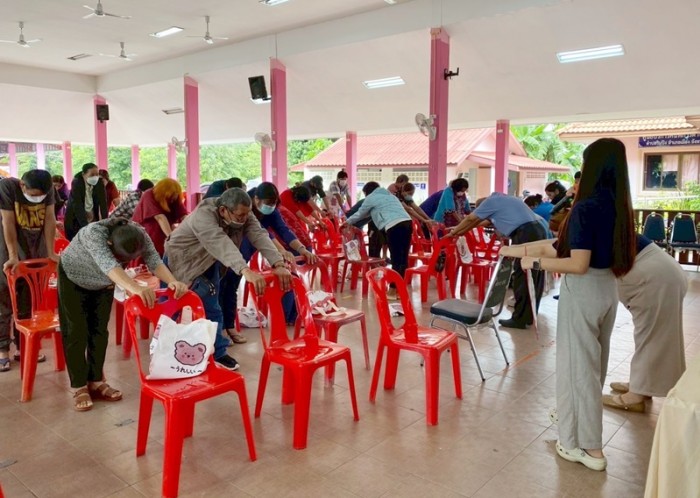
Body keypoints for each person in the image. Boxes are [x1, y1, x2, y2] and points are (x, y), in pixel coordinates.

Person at [500, 138, 636, 471]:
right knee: (593, 366)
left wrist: (534, 263)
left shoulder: (586, 208)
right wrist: (516, 251)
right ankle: (573, 421)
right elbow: (562, 245)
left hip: (584, 291)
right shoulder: (618, 207)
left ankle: (588, 448)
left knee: (579, 369)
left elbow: (576, 263)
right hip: (607, 289)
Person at [58, 218, 188, 411]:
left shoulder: (140, 234)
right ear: (110, 243)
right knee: (76, 331)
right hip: (73, 278)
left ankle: (96, 381)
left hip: (103, 283)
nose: (125, 263)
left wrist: (172, 281)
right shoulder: (94, 234)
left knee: (99, 331)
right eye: (121, 258)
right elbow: (109, 266)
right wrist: (135, 288)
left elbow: (154, 261)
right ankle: (79, 386)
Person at [164, 188, 292, 371]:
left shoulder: (243, 213)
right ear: (223, 210)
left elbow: (259, 235)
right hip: (180, 260)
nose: (244, 218)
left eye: (247, 214)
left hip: (209, 261)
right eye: (240, 215)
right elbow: (220, 243)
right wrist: (245, 269)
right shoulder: (204, 215)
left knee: (213, 307)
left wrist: (278, 263)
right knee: (171, 307)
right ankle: (166, 348)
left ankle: (218, 353)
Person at [216, 182, 318, 341]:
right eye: (268, 203)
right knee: (220, 286)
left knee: (232, 286)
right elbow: (266, 236)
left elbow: (282, 231)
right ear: (256, 199)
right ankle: (220, 330)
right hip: (228, 248)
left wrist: (302, 249)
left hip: (248, 247)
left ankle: (229, 326)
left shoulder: (271, 211)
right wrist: (281, 251)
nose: (270, 207)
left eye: (273, 204)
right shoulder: (244, 206)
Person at [603, 234, 688, 413]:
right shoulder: (607, 219)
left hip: (656, 278)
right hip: (663, 272)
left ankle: (635, 396)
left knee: (650, 337)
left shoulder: (587, 222)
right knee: (653, 336)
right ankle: (642, 386)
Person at [447, 192, 547, 329]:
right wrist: (459, 230)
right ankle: (528, 316)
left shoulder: (490, 202)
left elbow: (471, 219)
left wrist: (454, 233)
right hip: (537, 230)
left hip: (527, 234)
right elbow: (479, 223)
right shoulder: (503, 199)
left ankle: (520, 319)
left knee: (523, 275)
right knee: (534, 275)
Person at [0, 170, 59, 371]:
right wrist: (13, 256)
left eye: (41, 196)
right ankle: (3, 350)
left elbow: (50, 219)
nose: (37, 199)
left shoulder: (48, 190)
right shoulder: (8, 187)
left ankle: (23, 347)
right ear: (22, 186)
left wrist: (51, 251)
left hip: (35, 253)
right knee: (4, 302)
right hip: (7, 252)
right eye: (33, 195)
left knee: (27, 302)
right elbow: (7, 221)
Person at [342, 181, 412, 300]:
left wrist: (347, 222)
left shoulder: (371, 197)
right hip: (407, 223)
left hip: (394, 226)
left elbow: (360, 213)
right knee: (403, 259)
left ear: (367, 192)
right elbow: (368, 215)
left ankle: (392, 291)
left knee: (396, 259)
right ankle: (399, 290)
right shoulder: (390, 196)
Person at [132, 178, 188, 256]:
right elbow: (160, 217)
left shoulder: (174, 197)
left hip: (163, 234)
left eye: (174, 196)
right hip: (147, 234)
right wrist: (171, 237)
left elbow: (184, 216)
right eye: (171, 197)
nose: (172, 200)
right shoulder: (149, 195)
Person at [64, 163, 108, 241]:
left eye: (97, 174)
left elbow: (103, 203)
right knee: (78, 241)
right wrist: (85, 227)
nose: (95, 177)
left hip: (92, 216)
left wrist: (106, 223)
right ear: (84, 174)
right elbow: (77, 206)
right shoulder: (77, 183)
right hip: (76, 218)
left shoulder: (99, 183)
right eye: (92, 175)